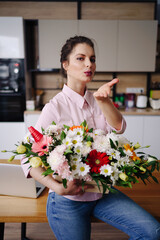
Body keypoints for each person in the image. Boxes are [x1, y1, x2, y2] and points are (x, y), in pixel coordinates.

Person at [21, 36, 160, 240]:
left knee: (152, 232)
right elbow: (27, 159)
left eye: (92, 59)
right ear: (65, 65)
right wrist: (58, 187)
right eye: (81, 58)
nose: (89, 64)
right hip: (68, 201)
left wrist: (104, 101)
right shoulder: (54, 108)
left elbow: (119, 128)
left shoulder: (98, 100)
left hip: (101, 193)